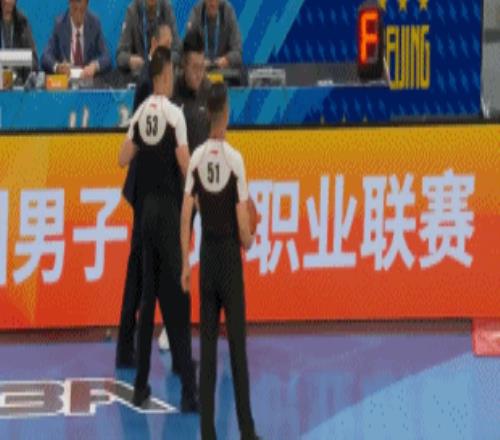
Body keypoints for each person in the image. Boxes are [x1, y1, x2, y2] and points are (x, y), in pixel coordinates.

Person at [118, 46, 198, 411]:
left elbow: (122, 158)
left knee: (148, 298)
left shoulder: (140, 114)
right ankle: (189, 391)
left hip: (145, 215)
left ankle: (140, 385)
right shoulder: (173, 114)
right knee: (177, 299)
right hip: (168, 213)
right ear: (164, 75)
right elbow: (186, 166)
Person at [180, 82, 260, 439]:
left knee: (208, 348)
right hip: (229, 257)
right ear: (225, 113)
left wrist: (186, 264)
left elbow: (186, 214)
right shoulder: (235, 160)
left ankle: (207, 431)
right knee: (237, 348)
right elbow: (243, 224)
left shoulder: (197, 159)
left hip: (207, 257)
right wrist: (250, 240)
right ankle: (246, 430)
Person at [116, 22, 173, 367]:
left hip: (155, 190)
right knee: (140, 267)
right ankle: (128, 344)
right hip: (145, 190)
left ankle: (145, 340)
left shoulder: (162, 93)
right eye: (164, 46)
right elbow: (130, 149)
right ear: (153, 46)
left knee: (152, 266)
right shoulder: (147, 86)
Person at [41, 0, 111, 78]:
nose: (78, 15)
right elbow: (45, 57)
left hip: (87, 79)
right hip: (67, 79)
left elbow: (106, 57)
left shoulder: (94, 23)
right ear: (69, 5)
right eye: (74, 9)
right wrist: (58, 67)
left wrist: (94, 66)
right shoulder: (60, 24)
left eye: (82, 10)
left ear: (87, 6)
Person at [116, 0, 180, 74]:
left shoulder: (166, 8)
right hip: (140, 74)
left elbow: (177, 52)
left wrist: (162, 60)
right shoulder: (133, 10)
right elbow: (120, 56)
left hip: (162, 73)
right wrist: (130, 60)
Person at [187, 0, 242, 69]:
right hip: (201, 70)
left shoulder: (227, 11)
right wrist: (199, 60)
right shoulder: (197, 12)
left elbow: (237, 51)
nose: (213, 3)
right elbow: (188, 52)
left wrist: (228, 59)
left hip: (223, 69)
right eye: (210, 1)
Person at [0, 0, 38, 77]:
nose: (9, 1)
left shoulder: (22, 22)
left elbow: (34, 60)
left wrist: (8, 59)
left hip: (17, 80)